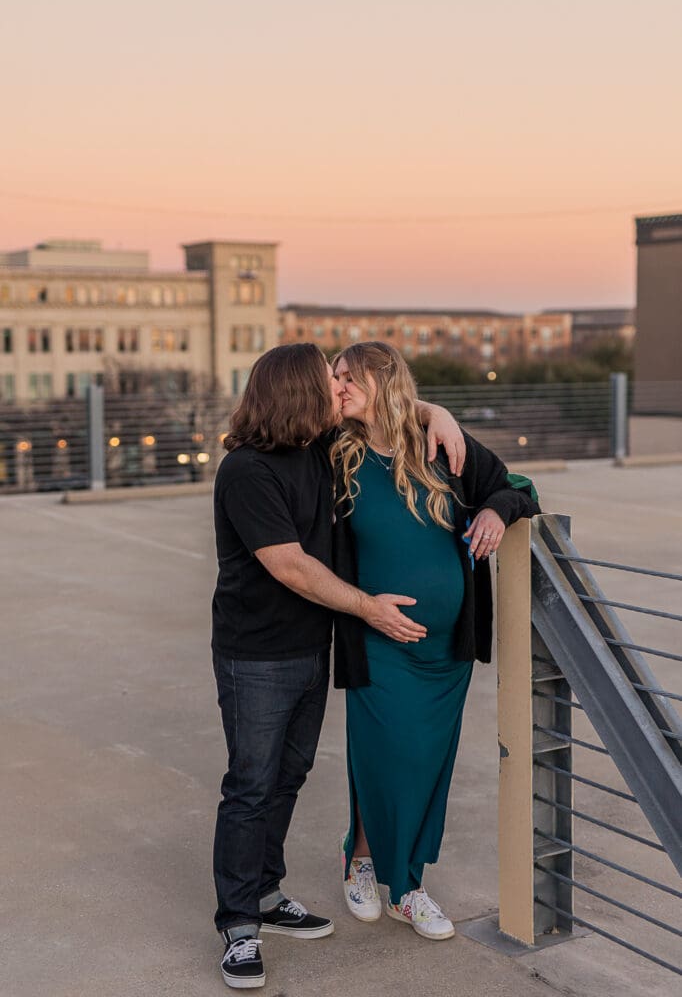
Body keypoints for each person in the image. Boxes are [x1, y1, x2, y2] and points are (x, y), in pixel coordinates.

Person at [211, 343, 465, 988]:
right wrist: (370, 609)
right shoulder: (247, 470)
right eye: (331, 380)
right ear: (300, 389)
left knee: (289, 776)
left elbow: (389, 412)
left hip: (308, 648)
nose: (340, 388)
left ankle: (268, 897)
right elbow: (290, 565)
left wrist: (438, 413)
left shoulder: (318, 451)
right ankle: (240, 925)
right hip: (256, 655)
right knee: (250, 784)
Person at [331, 341, 540, 940]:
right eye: (336, 376)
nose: (338, 386)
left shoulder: (443, 450)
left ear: (384, 382)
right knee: (382, 756)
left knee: (425, 765)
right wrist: (431, 406)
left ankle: (405, 882)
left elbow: (518, 486)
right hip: (377, 637)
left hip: (445, 652)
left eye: (351, 378)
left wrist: (498, 512)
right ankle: (375, 868)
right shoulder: (335, 453)